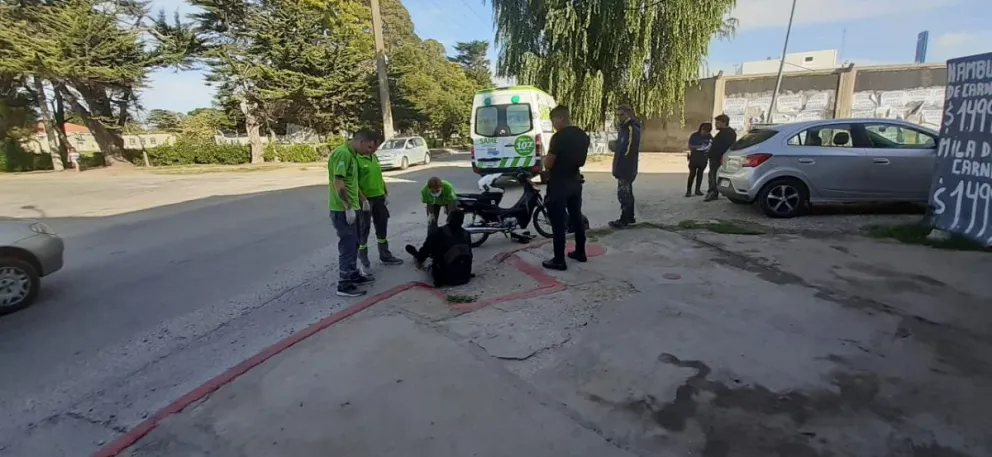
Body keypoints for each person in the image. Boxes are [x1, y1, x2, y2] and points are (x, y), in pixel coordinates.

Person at [328, 130, 380, 297]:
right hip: (343, 210)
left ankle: (353, 274)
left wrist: (362, 200)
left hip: (354, 207)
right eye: (369, 147)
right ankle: (344, 284)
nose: (370, 152)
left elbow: (352, 183)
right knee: (348, 246)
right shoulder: (342, 154)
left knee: (356, 242)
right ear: (361, 141)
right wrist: (347, 206)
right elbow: (339, 182)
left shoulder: (353, 155)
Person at [541, 105, 589, 271]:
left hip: (559, 183)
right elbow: (581, 161)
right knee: (576, 218)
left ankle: (559, 260)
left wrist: (545, 163)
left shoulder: (558, 137)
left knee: (558, 222)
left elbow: (548, 162)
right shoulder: (583, 135)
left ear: (561, 118)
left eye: (553, 120)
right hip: (575, 181)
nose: (553, 124)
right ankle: (580, 252)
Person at [356, 143, 404, 272]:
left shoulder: (375, 158)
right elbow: (353, 183)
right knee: (363, 229)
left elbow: (379, 177)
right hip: (365, 200)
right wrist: (363, 200)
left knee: (382, 227)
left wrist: (385, 192)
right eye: (371, 146)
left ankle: (385, 255)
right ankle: (364, 261)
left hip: (379, 198)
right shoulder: (356, 159)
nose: (374, 149)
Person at [404, 209, 474, 287]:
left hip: (446, 278)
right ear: (462, 221)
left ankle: (417, 258)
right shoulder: (466, 234)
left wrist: (419, 257)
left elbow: (425, 251)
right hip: (465, 276)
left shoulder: (438, 232)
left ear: (448, 219)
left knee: (427, 261)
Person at [609, 104, 641, 229]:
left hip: (627, 167)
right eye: (618, 115)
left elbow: (631, 147)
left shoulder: (632, 127)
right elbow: (622, 145)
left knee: (623, 193)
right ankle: (630, 216)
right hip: (622, 166)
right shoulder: (623, 128)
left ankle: (624, 219)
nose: (619, 117)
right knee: (627, 192)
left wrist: (623, 164)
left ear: (629, 114)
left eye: (622, 114)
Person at [704, 114, 737, 202]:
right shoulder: (722, 132)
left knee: (714, 175)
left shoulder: (729, 133)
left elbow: (723, 147)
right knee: (712, 175)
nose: (716, 125)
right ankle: (713, 191)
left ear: (724, 123)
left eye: (718, 123)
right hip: (715, 157)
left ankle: (713, 192)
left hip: (719, 158)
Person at [686, 123, 713, 197]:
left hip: (703, 158)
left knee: (700, 174)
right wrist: (699, 147)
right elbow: (690, 146)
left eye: (707, 132)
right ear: (701, 129)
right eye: (703, 131)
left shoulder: (709, 136)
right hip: (694, 157)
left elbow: (712, 144)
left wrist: (708, 148)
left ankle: (697, 190)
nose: (704, 133)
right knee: (692, 174)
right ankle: (689, 190)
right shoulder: (695, 135)